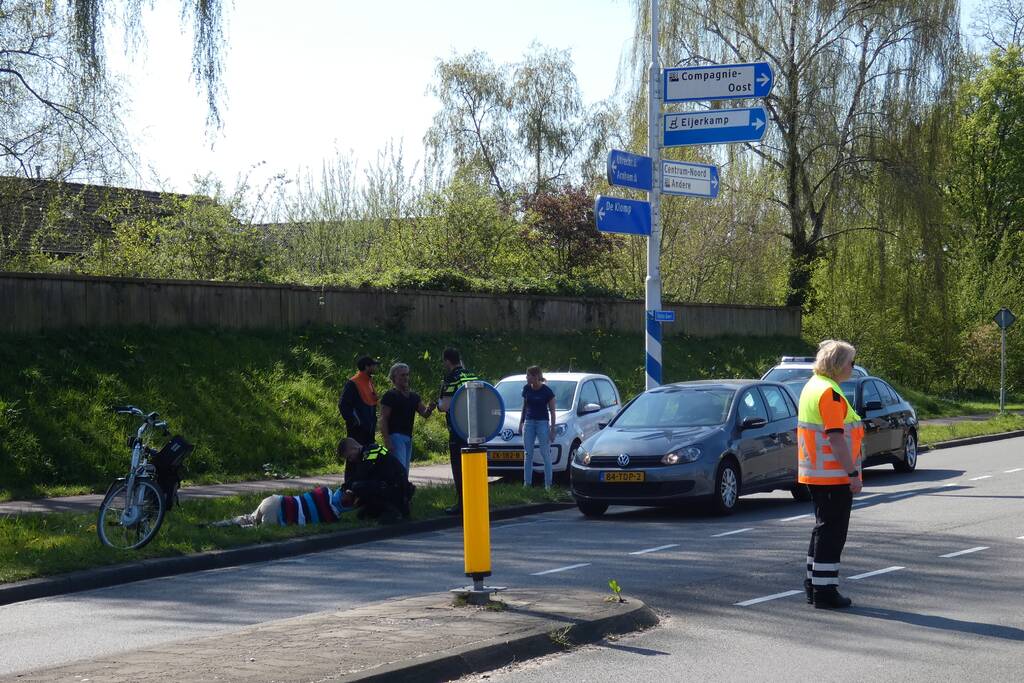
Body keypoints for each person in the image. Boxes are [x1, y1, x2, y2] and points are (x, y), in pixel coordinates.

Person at [797, 339, 865, 609]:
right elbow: (836, 438)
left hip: (816, 472)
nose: (853, 366)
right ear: (838, 365)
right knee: (832, 533)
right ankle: (825, 591)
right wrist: (852, 473)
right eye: (851, 361)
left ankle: (814, 586)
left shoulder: (813, 386)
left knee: (821, 530)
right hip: (833, 475)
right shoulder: (831, 393)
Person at [435, 347, 479, 515]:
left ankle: (462, 504)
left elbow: (445, 406)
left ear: (447, 361)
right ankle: (476, 500)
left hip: (457, 429)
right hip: (473, 428)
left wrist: (438, 404)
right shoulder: (471, 375)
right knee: (474, 467)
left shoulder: (451, 378)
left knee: (459, 467)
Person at [342, 438, 416, 522]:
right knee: (362, 514)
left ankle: (393, 510)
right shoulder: (365, 454)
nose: (350, 460)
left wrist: (348, 490)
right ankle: (382, 509)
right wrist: (346, 488)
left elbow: (362, 475)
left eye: (349, 456)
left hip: (396, 488)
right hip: (390, 486)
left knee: (358, 487)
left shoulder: (371, 452)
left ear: (354, 448)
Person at [380, 362, 434, 474]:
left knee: (405, 470)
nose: (406, 378)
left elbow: (424, 414)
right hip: (395, 436)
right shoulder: (390, 395)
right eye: (402, 375)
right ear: (394, 378)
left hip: (408, 437)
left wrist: (430, 408)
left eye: (407, 375)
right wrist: (387, 440)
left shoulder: (414, 396)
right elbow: (383, 419)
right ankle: (398, 490)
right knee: (400, 470)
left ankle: (403, 490)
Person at [519, 366, 556, 489]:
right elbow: (524, 407)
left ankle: (548, 484)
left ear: (535, 377)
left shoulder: (547, 391)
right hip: (529, 422)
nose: (527, 378)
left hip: (542, 423)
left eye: (528, 375)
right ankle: (527, 483)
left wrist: (552, 429)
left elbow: (552, 411)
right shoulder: (526, 389)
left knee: (545, 453)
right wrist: (521, 423)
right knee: (528, 453)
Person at [338, 356, 380, 446]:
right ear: (366, 367)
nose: (376, 367)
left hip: (369, 431)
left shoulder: (369, 381)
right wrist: (355, 421)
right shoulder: (353, 383)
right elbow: (343, 404)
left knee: (368, 456)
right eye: (373, 365)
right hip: (357, 431)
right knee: (355, 455)